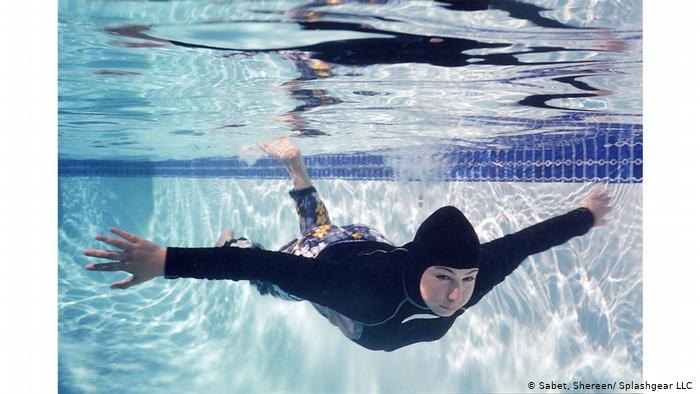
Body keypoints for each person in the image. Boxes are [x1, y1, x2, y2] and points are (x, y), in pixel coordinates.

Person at [85, 137, 612, 352]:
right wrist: (168, 261)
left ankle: (298, 170)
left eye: (466, 280)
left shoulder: (471, 277)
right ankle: (285, 183)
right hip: (333, 263)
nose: (456, 296)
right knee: (271, 277)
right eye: (447, 278)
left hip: (361, 240)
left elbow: (526, 242)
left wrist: (585, 217)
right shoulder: (359, 295)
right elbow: (254, 262)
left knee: (324, 230)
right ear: (423, 263)